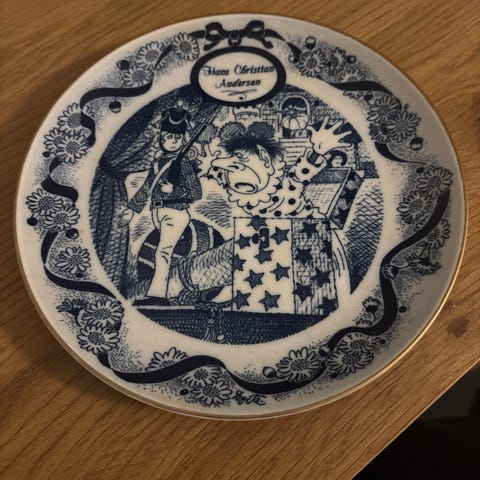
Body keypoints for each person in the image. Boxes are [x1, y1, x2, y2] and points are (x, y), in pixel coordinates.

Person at [118, 101, 201, 306]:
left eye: (176, 138)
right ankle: (158, 292)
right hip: (158, 212)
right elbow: (146, 188)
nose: (171, 142)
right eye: (167, 137)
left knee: (163, 252)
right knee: (161, 253)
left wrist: (174, 191)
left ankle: (158, 295)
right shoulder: (158, 163)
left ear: (183, 139)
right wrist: (131, 210)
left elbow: (196, 192)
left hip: (176, 213)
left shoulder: (184, 164)